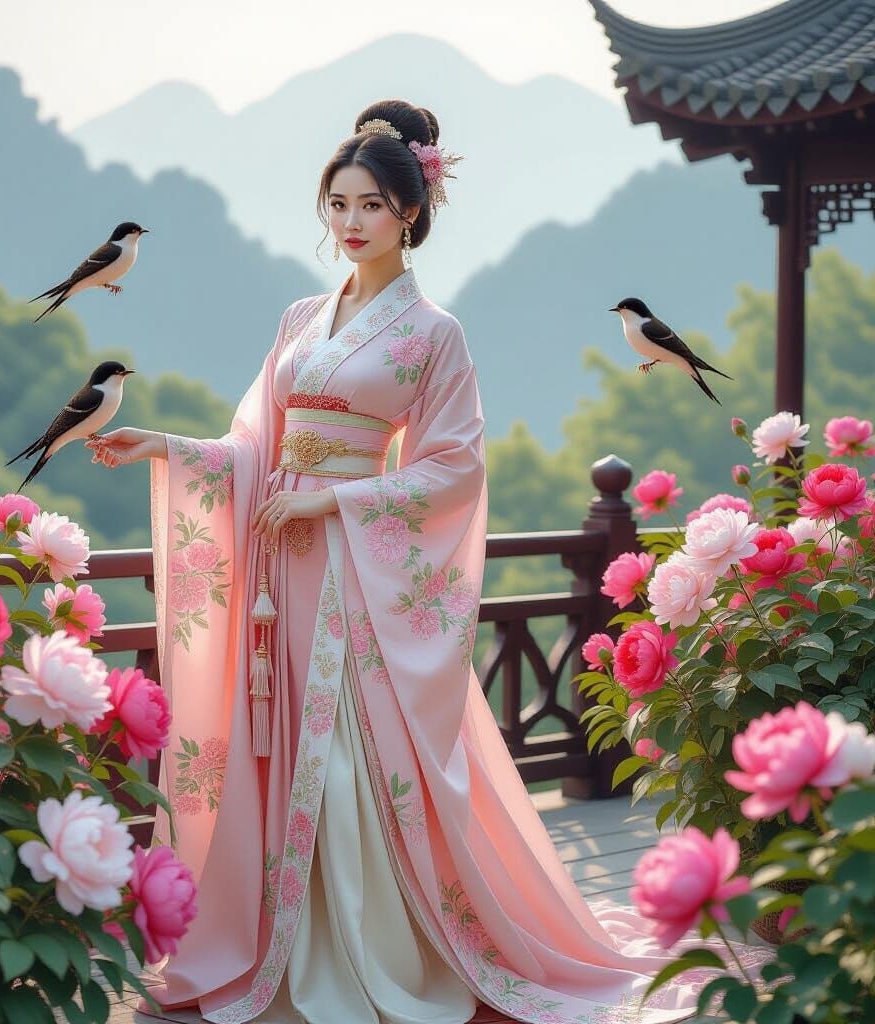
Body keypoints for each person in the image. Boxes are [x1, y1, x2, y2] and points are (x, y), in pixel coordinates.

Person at [88, 100, 764, 1024]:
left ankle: (371, 945)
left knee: (345, 752)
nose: (350, 221)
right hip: (280, 561)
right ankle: (285, 942)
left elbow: (454, 464)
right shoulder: (299, 316)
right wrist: (163, 443)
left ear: (409, 210)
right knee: (286, 744)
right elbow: (255, 441)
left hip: (352, 564)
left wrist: (337, 495)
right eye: (336, 203)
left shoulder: (434, 333)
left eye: (369, 203)